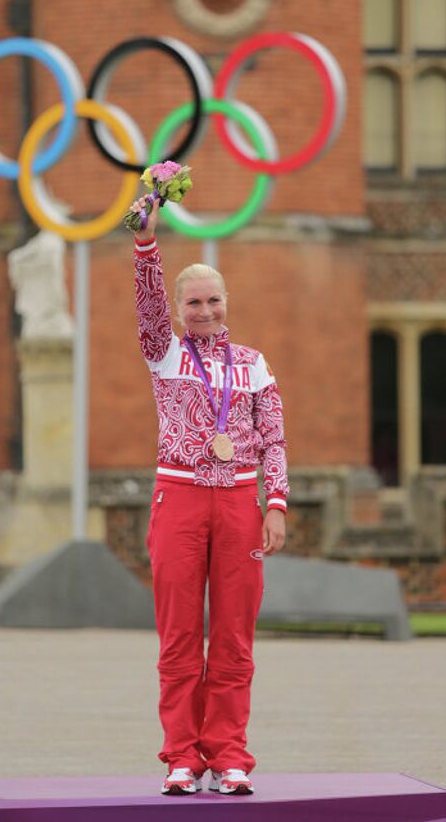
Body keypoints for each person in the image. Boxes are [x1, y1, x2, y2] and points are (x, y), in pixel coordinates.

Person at [129, 195, 288, 796]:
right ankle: (181, 756)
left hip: (240, 503)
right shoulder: (163, 351)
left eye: (213, 300)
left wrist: (276, 503)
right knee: (177, 635)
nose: (204, 310)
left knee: (233, 637)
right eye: (192, 302)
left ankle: (229, 754)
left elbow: (274, 437)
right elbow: (145, 305)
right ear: (178, 309)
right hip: (181, 498)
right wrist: (146, 241)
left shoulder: (254, 365)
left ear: (227, 304)